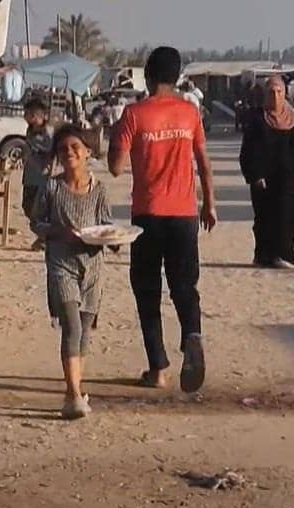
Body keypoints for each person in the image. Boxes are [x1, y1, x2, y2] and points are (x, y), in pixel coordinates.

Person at [108, 46, 217, 393]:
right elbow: (203, 162)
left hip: (148, 215)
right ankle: (192, 334)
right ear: (178, 76)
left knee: (147, 290)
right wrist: (209, 204)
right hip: (185, 213)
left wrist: (116, 138)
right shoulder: (189, 113)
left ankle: (158, 368)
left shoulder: (134, 114)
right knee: (185, 285)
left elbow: (115, 167)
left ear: (148, 75)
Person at [29, 125, 112, 419]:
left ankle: (75, 388)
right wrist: (57, 231)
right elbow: (35, 223)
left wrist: (111, 240)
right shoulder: (51, 187)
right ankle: (74, 395)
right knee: (72, 327)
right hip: (60, 264)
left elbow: (106, 225)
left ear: (88, 151)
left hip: (93, 268)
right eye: (63, 149)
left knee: (85, 332)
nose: (69, 153)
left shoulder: (99, 189)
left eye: (75, 147)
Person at [240, 75, 294, 270]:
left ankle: (283, 254)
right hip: (262, 177)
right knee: (263, 217)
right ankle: (263, 254)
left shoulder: (293, 120)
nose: (276, 96)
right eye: (271, 92)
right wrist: (254, 174)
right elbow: (248, 149)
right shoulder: (257, 118)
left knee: (285, 216)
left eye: (279, 92)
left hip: (286, 176)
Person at [21, 98, 54, 250]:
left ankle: (45, 238)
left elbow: (50, 152)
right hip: (30, 176)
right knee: (27, 207)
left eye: (30, 113)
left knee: (37, 211)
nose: (27, 116)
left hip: (41, 178)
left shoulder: (47, 133)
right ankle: (44, 237)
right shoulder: (30, 130)